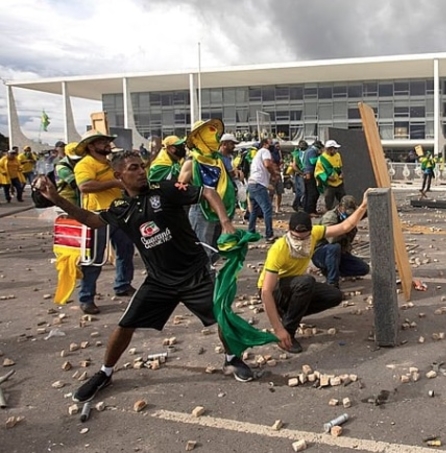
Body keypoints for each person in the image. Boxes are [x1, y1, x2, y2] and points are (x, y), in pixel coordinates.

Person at [34, 150, 261, 403]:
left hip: (194, 274)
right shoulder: (121, 208)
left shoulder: (164, 189)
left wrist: (226, 222)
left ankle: (231, 359)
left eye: (142, 166)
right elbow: (90, 219)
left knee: (222, 317)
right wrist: (55, 198)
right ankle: (105, 372)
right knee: (125, 325)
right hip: (159, 281)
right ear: (119, 175)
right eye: (133, 168)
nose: (141, 171)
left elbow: (208, 192)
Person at [259, 202, 369, 354]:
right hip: (274, 290)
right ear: (289, 231)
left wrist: (363, 204)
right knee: (306, 282)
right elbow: (265, 291)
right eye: (296, 238)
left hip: (294, 285)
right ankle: (287, 333)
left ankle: (289, 313)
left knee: (334, 295)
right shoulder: (278, 249)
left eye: (304, 238)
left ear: (311, 233)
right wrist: (278, 329)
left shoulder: (316, 233)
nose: (300, 242)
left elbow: (345, 227)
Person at [74, 130, 136, 314]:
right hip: (97, 216)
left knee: (126, 250)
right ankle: (86, 297)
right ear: (91, 146)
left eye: (107, 141)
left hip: (118, 212)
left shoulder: (109, 163)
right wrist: (114, 184)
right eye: (102, 142)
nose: (107, 144)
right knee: (94, 258)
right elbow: (85, 186)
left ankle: (123, 285)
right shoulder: (85, 164)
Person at [179, 119, 236, 266]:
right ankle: (202, 281)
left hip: (220, 209)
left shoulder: (217, 161)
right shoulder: (192, 161)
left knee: (216, 248)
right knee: (203, 250)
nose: (214, 137)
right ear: (199, 138)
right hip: (201, 209)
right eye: (209, 133)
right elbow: (180, 187)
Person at [312, 195, 370, 288]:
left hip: (340, 253)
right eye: (347, 212)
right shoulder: (330, 217)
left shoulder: (349, 215)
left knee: (363, 268)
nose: (350, 215)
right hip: (321, 252)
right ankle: (332, 283)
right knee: (334, 248)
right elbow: (332, 239)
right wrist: (347, 227)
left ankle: (333, 270)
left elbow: (364, 212)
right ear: (341, 207)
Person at [246, 138, 279, 242]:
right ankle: (269, 235)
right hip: (258, 184)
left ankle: (250, 232)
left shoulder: (257, 154)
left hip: (252, 184)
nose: (272, 145)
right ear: (265, 144)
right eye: (270, 143)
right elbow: (267, 164)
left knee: (254, 210)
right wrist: (274, 174)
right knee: (267, 209)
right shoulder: (265, 151)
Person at [315, 140, 345, 211]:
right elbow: (318, 172)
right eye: (335, 148)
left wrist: (341, 174)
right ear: (329, 149)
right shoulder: (322, 159)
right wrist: (328, 178)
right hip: (329, 185)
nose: (336, 150)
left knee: (343, 200)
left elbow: (339, 167)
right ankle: (328, 215)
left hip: (339, 183)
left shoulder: (338, 155)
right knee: (328, 202)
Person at [302, 141, 322, 215]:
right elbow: (313, 161)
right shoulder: (312, 151)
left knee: (308, 193)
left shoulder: (307, 151)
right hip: (310, 173)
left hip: (306, 173)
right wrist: (320, 157)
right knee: (313, 193)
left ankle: (307, 209)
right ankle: (310, 210)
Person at [290, 140, 307, 212]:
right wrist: (301, 173)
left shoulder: (301, 153)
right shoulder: (297, 154)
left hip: (300, 173)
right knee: (302, 191)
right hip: (299, 174)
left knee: (300, 191)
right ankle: (297, 205)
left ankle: (298, 205)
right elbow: (294, 165)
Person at [269, 141, 284, 213]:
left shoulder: (279, 153)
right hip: (273, 174)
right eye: (276, 146)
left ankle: (277, 208)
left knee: (279, 192)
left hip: (278, 173)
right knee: (271, 192)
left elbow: (281, 162)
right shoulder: (270, 154)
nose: (278, 147)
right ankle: (270, 207)